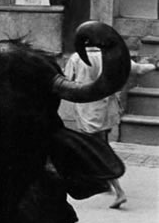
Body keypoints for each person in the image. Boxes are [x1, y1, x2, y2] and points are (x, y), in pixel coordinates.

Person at [64, 47, 158, 208]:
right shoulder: (112, 55)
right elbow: (139, 70)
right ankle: (105, 183)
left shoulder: (77, 57)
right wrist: (154, 66)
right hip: (107, 107)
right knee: (102, 143)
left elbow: (66, 81)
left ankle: (119, 191)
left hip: (88, 108)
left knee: (98, 149)